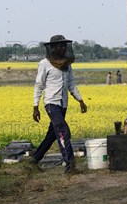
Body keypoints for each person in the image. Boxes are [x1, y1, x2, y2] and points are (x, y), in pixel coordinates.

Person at [31, 35, 88, 173]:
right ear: (52, 47)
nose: (62, 48)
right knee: (63, 131)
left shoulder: (67, 65)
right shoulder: (44, 64)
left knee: (52, 135)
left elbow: (71, 84)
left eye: (64, 45)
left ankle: (33, 160)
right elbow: (39, 85)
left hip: (63, 104)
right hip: (51, 103)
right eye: (59, 46)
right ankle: (70, 166)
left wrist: (80, 100)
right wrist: (35, 107)